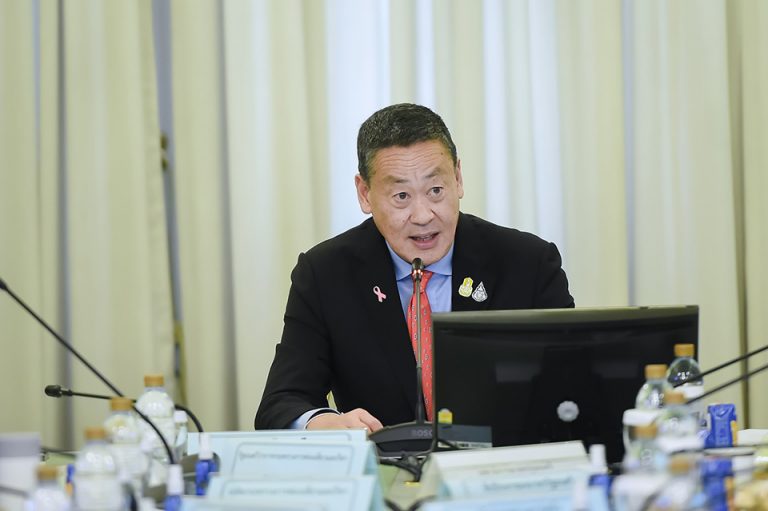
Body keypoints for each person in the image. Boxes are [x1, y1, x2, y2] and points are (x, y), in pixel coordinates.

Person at [254, 103, 574, 432]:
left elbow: (576, 386)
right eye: (401, 196)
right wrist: (322, 424)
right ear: (365, 194)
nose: (423, 216)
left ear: (458, 178)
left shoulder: (528, 263)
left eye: (435, 190)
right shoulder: (326, 274)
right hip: (384, 462)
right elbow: (281, 403)